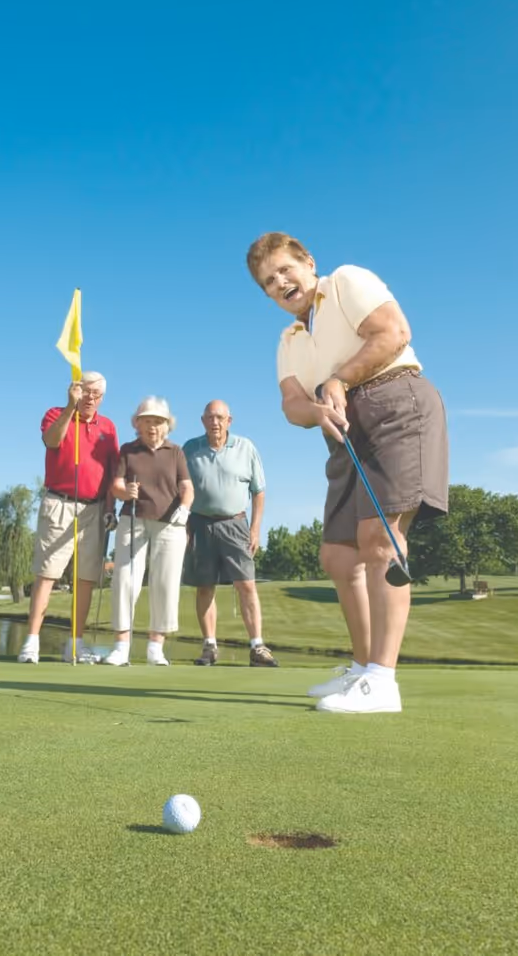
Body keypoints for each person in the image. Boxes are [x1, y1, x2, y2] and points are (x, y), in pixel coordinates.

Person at [246, 232, 448, 712]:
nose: (280, 283)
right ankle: (361, 670)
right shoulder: (289, 338)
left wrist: (338, 379)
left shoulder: (345, 282)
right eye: (269, 282)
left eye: (285, 270)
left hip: (396, 402)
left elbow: (394, 332)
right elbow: (292, 402)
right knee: (338, 555)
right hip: (340, 426)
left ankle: (383, 679)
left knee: (381, 539)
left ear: (307, 262)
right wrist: (316, 411)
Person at [17, 372, 119, 664]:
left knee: (86, 579)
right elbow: (51, 441)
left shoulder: (108, 427)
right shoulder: (55, 414)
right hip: (59, 503)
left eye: (96, 394)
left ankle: (74, 644)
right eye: (86, 391)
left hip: (96, 508)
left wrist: (111, 508)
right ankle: (32, 642)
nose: (90, 398)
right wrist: (69, 408)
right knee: (47, 574)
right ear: (75, 390)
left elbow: (112, 473)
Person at [183, 400, 278, 668]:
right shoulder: (191, 449)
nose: (215, 422)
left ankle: (257, 646)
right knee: (204, 586)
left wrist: (255, 528)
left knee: (246, 584)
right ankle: (209, 646)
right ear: (202, 421)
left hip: (236, 524)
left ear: (229, 421)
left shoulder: (245, 447)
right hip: (200, 524)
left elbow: (258, 491)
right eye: (210, 417)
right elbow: (180, 488)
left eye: (220, 417)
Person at [104, 397, 194, 666]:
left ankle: (156, 646)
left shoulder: (176, 452)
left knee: (165, 582)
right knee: (124, 579)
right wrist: (123, 491)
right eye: (146, 421)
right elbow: (115, 484)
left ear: (167, 426)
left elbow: (187, 487)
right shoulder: (128, 450)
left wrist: (185, 508)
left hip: (170, 523)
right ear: (137, 424)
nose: (152, 427)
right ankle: (121, 646)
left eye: (157, 422)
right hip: (133, 520)